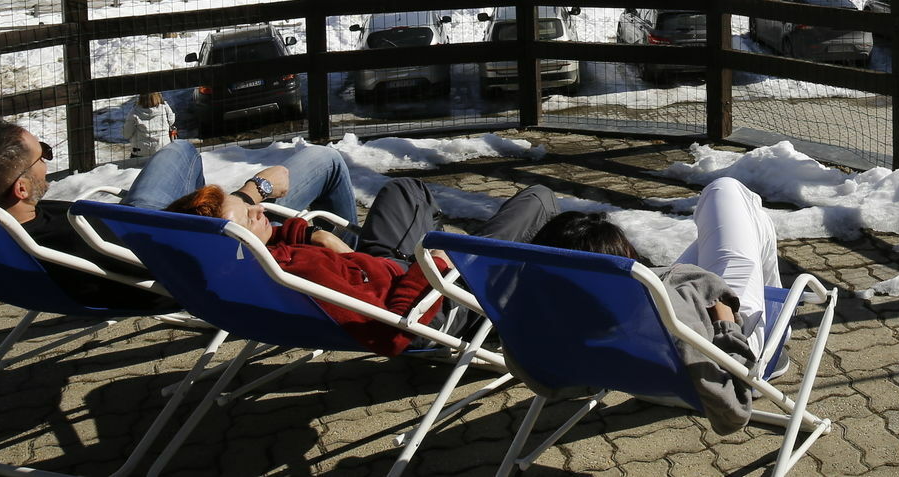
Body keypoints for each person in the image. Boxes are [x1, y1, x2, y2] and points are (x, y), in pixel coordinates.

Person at [0, 119, 355, 308]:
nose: (49, 161)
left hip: (130, 231)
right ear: (21, 186)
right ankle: (366, 273)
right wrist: (250, 195)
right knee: (324, 160)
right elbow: (187, 253)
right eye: (43, 156)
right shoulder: (55, 241)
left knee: (179, 153)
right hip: (159, 244)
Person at [166, 178, 557, 356]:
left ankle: (440, 241)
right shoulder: (300, 272)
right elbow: (392, 331)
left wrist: (314, 235)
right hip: (437, 304)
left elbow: (280, 244)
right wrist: (436, 260)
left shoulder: (250, 268)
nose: (260, 208)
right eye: (250, 217)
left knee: (403, 189)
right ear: (232, 242)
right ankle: (520, 301)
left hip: (386, 271)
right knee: (537, 199)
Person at [534, 176, 780, 432]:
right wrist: (725, 318)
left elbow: (535, 376)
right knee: (727, 191)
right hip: (705, 364)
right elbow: (733, 409)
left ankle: (776, 338)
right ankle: (773, 343)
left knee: (743, 220)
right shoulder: (668, 316)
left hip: (631, 369)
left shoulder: (539, 309)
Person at [126, 91, 175, 159]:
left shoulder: (134, 111)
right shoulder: (164, 107)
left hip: (140, 151)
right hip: (162, 148)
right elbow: (171, 121)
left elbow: (126, 133)